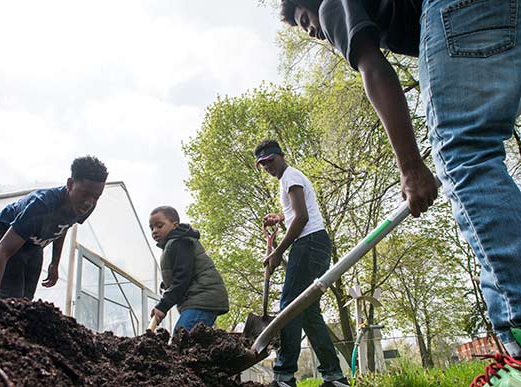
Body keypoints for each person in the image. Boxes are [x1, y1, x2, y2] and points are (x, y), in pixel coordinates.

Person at [280, 0, 521, 363]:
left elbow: (373, 68)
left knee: (465, 153)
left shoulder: (331, 5)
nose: (311, 30)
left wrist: (410, 166)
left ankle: (517, 324)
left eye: (303, 19)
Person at [255, 139, 347, 387]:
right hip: (317, 244)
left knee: (290, 308)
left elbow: (303, 218)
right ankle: (334, 377)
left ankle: (284, 377)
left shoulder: (290, 177)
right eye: (263, 164)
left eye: (270, 161)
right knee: (308, 313)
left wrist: (278, 252)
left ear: (281, 156)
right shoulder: (290, 179)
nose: (268, 167)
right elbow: (297, 213)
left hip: (308, 244)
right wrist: (281, 217)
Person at [0, 156, 107, 299]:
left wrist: (55, 263)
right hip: (5, 232)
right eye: (85, 194)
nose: (89, 202)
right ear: (70, 184)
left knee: (26, 300)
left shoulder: (86, 206)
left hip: (33, 244)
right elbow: (1, 251)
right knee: (12, 295)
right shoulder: (41, 205)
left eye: (96, 196)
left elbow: (63, 226)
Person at [149, 205, 229, 332]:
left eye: (159, 226)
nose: (154, 231)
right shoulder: (173, 244)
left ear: (175, 225)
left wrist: (163, 306)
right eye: (151, 227)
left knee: (182, 337)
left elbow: (182, 277)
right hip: (197, 299)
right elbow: (182, 274)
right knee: (192, 342)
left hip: (203, 297)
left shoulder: (180, 242)